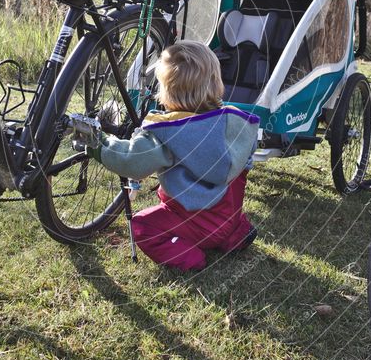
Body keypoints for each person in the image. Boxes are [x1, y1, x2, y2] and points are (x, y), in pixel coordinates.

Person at [86, 40, 259, 272]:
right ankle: (234, 236)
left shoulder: (167, 132)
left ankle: (189, 257)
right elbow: (246, 160)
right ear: (216, 82)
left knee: (141, 226)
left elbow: (130, 161)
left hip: (189, 219)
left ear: (166, 90)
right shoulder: (236, 121)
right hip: (229, 215)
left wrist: (96, 142)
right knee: (233, 187)